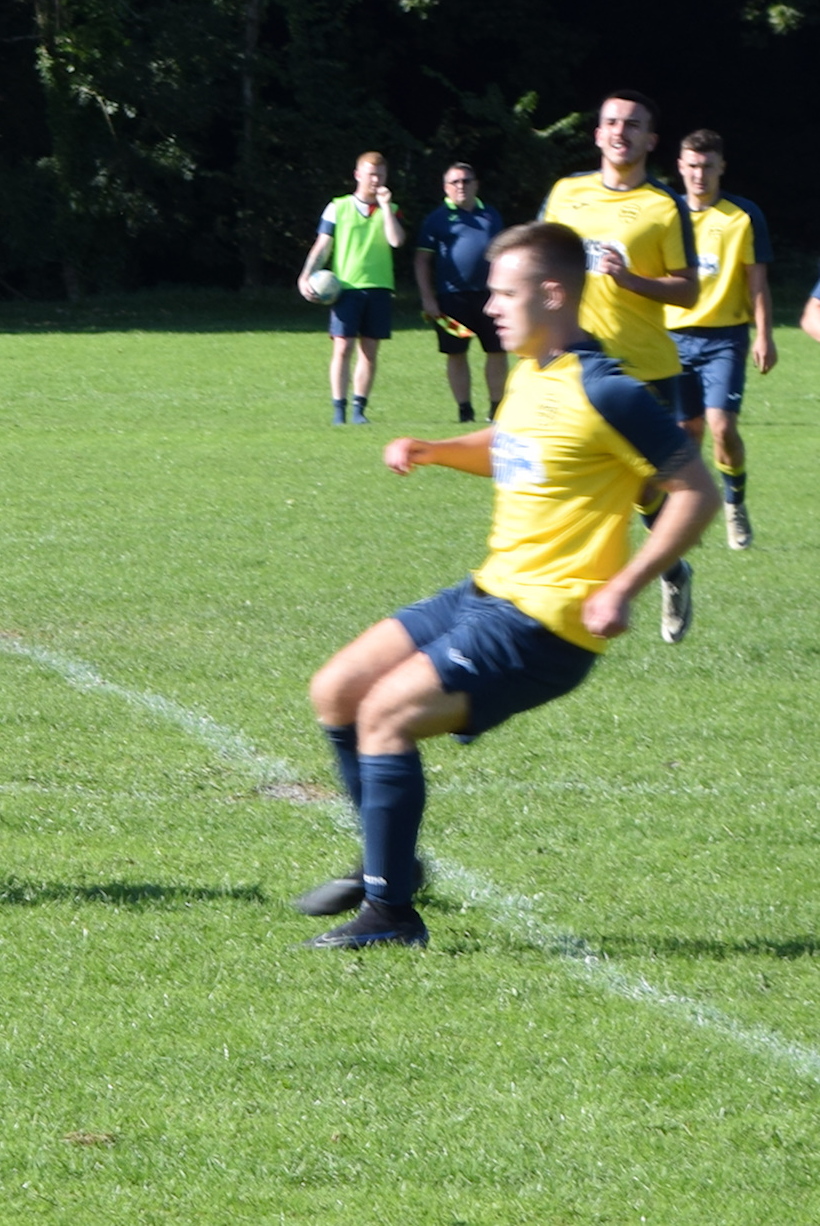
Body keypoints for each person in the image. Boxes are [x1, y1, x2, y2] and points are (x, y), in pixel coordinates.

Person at [294, 221, 717, 948]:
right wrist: (435, 449)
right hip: (488, 591)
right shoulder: (532, 368)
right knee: (337, 690)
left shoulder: (609, 390)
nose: (489, 306)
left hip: (547, 624)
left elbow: (697, 492)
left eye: (503, 293)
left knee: (386, 715)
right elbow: (511, 444)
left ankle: (391, 914)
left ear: (552, 293)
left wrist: (626, 584)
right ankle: (390, 862)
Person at [538, 92, 699, 641]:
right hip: (570, 362)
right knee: (566, 474)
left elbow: (688, 289)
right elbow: (535, 259)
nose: (620, 131)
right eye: (611, 121)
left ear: (651, 139)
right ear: (597, 134)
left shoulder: (664, 205)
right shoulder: (566, 193)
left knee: (645, 487)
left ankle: (670, 569)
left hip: (643, 367)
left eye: (633, 124)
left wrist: (631, 280)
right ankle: (557, 591)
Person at [665, 130, 774, 551]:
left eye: (708, 166)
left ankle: (734, 502)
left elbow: (757, 283)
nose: (700, 174)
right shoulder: (667, 214)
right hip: (673, 336)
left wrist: (764, 335)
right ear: (680, 167)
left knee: (722, 427)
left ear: (721, 167)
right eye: (692, 166)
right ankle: (689, 518)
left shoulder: (743, 215)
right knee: (686, 432)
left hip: (725, 337)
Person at [298, 152, 404, 425]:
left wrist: (386, 207)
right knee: (343, 348)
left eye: (380, 175)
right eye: (371, 174)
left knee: (369, 351)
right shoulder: (338, 206)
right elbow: (322, 246)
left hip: (379, 287)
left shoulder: (390, 208)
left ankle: (359, 410)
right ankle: (339, 410)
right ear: (357, 175)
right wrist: (305, 275)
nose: (376, 180)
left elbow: (396, 241)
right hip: (345, 288)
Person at [413, 162, 506, 422]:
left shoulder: (491, 215)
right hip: (452, 298)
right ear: (446, 187)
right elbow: (422, 260)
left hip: (491, 296)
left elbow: (505, 254)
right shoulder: (436, 219)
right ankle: (464, 410)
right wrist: (428, 298)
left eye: (466, 180)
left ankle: (496, 408)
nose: (461, 186)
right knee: (456, 353)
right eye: (455, 182)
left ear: (476, 184)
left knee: (497, 351)